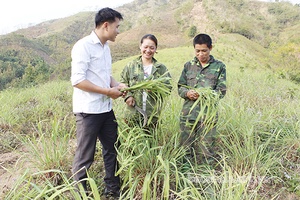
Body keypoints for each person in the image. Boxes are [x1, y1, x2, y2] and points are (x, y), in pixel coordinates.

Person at [70, 7, 126, 198]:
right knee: (85, 156)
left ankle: (112, 190)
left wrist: (117, 85)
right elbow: (77, 80)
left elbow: (104, 75)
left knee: (112, 149)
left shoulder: (105, 48)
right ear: (105, 25)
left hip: (106, 109)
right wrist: (108, 92)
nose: (118, 31)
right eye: (117, 26)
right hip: (88, 111)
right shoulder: (83, 46)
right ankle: (81, 194)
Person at [177, 33, 226, 163]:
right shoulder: (188, 66)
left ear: (210, 48)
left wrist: (204, 95)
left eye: (204, 51)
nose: (200, 54)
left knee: (207, 148)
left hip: (208, 115)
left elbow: (221, 90)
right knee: (185, 146)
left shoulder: (219, 67)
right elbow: (180, 87)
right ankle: (185, 171)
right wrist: (187, 93)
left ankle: (205, 173)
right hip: (188, 114)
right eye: (197, 51)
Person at [120, 34, 172, 131]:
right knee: (132, 141)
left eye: (152, 48)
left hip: (152, 115)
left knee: (151, 142)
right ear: (140, 47)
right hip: (133, 113)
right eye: (145, 47)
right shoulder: (131, 66)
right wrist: (128, 96)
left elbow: (168, 88)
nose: (148, 50)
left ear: (156, 49)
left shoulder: (161, 68)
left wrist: (156, 90)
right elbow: (123, 82)